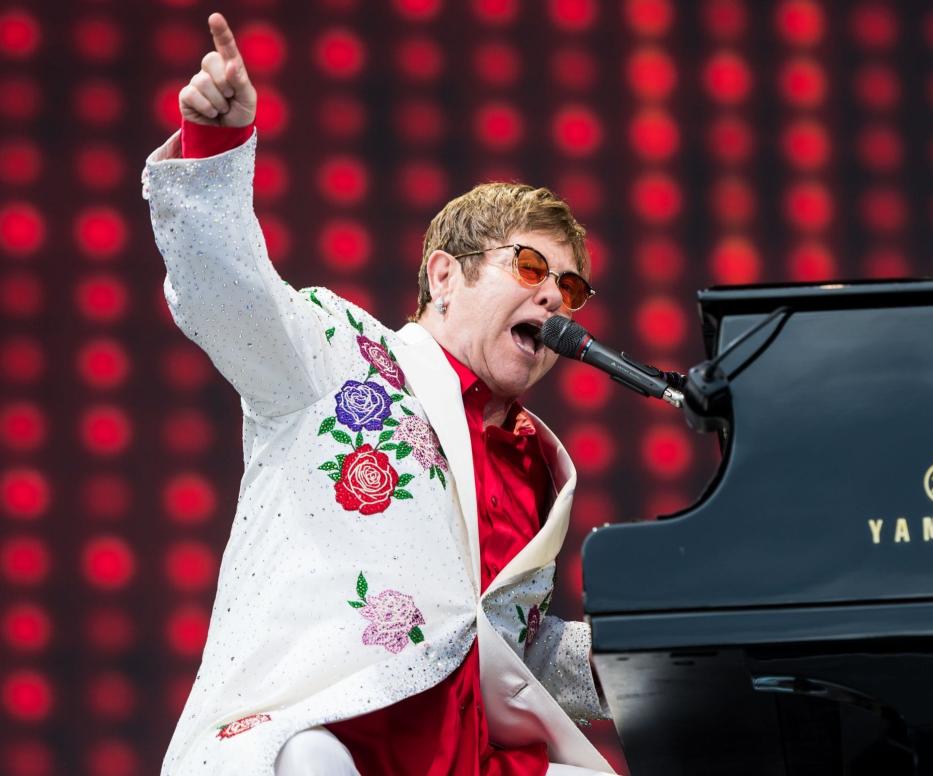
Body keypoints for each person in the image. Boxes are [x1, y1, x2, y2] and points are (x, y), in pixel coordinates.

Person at [143, 12, 614, 776]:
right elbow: (231, 298)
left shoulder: (534, 466)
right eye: (529, 269)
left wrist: (673, 639)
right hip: (331, 739)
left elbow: (501, 644)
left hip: (470, 756)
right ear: (443, 276)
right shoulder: (342, 356)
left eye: (570, 286)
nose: (555, 299)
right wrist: (217, 147)